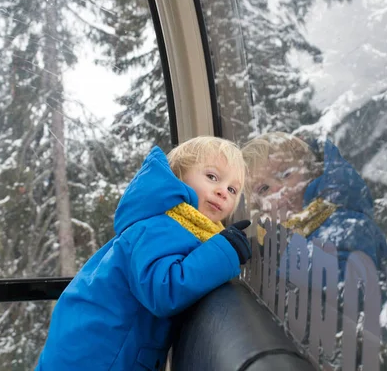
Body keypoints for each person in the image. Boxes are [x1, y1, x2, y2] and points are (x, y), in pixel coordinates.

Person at [36, 136, 252, 371]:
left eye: (232, 189)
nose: (222, 191)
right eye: (212, 177)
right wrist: (225, 251)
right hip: (97, 355)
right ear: (178, 176)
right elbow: (162, 289)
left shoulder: (182, 226)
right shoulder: (158, 226)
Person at [242, 132, 387, 367]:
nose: (280, 190)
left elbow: (348, 287)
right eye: (263, 189)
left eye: (287, 174)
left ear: (311, 172)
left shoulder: (343, 217)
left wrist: (287, 253)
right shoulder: (290, 233)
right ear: (257, 206)